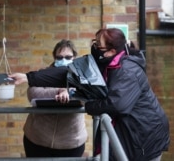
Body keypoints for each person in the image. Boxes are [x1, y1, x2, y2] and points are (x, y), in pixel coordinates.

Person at [9, 28, 170, 161]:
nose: (93, 46)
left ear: (110, 51)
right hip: (128, 130)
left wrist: (88, 104)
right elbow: (68, 73)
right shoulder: (104, 62)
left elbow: (117, 105)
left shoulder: (127, 70)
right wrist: (28, 77)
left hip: (144, 135)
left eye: (97, 44)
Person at [23, 39, 88, 157]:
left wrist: (70, 92)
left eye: (68, 57)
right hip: (38, 139)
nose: (64, 60)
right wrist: (59, 91)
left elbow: (87, 95)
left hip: (71, 141)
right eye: (60, 57)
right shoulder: (43, 74)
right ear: (54, 57)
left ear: (74, 57)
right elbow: (32, 92)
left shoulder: (83, 77)